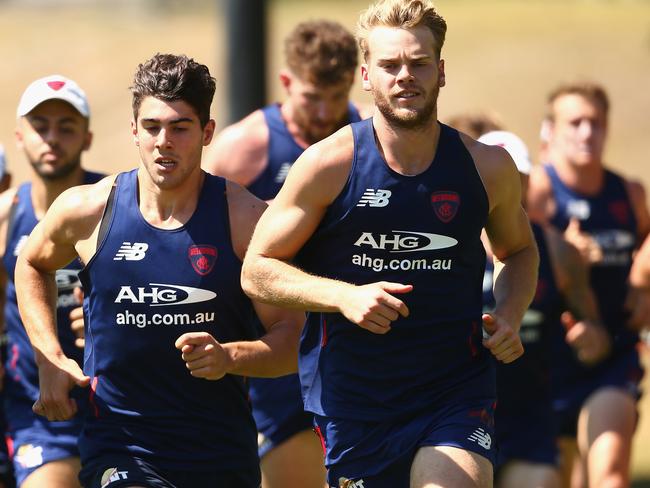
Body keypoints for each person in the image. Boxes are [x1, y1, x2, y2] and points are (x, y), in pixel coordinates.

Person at [241, 1, 540, 486]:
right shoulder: (328, 165)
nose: (406, 76)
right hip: (355, 399)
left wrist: (509, 313)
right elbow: (257, 269)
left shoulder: (486, 168)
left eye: (419, 63)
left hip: (455, 390)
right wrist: (343, 296)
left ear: (440, 71)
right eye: (390, 65)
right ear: (366, 75)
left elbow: (520, 252)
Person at [14, 53, 304, 488]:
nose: (163, 141)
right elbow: (32, 263)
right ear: (134, 130)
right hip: (120, 445)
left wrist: (229, 357)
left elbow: (291, 339)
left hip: (219, 452)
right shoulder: (89, 209)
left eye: (179, 128)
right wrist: (50, 357)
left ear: (207, 133)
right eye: (151, 127)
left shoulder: (244, 220)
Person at [205, 19, 366, 488]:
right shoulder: (245, 148)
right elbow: (197, 235)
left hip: (350, 338)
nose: (323, 112)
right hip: (273, 340)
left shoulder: (364, 138)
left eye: (335, 97)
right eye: (311, 97)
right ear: (286, 83)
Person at [527, 81, 650, 488]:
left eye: (595, 123)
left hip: (613, 357)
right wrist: (561, 255)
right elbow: (504, 256)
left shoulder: (628, 193)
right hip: (547, 363)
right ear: (551, 130)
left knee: (609, 474)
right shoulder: (538, 191)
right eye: (575, 122)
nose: (586, 133)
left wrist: (642, 283)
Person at [478, 130, 610, 488]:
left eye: (514, 179)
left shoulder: (558, 251)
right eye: (490, 179)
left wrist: (590, 339)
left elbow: (596, 335)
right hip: (456, 413)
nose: (502, 189)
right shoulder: (444, 241)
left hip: (529, 422)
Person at [0, 75, 104, 488]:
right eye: (40, 126)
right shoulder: (7, 215)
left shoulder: (116, 201)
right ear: (20, 137)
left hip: (120, 404)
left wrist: (108, 311)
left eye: (66, 127)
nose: (52, 138)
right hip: (38, 412)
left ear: (87, 137)